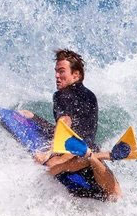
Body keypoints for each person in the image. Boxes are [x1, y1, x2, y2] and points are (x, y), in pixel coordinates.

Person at [19, 49, 121, 201]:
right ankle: (98, 156)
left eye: (61, 71)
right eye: (56, 71)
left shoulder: (61, 95)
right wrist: (35, 118)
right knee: (114, 195)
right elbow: (71, 127)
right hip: (88, 149)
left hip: (72, 153)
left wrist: (48, 153)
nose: (56, 76)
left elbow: (64, 121)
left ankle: (92, 156)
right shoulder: (90, 95)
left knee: (46, 168)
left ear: (76, 75)